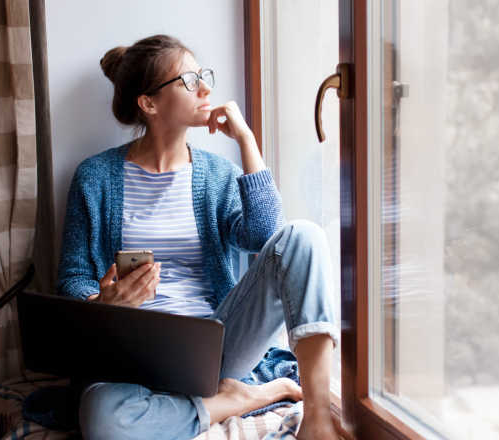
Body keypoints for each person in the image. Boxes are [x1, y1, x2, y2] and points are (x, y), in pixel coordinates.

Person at [57, 34, 340, 440]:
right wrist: (104, 303)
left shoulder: (215, 174)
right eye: (189, 81)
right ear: (149, 103)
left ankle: (317, 416)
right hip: (130, 355)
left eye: (203, 76)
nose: (205, 88)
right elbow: (73, 276)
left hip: (215, 344)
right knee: (103, 420)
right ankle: (236, 400)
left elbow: (262, 237)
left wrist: (246, 141)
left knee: (304, 236)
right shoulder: (94, 177)